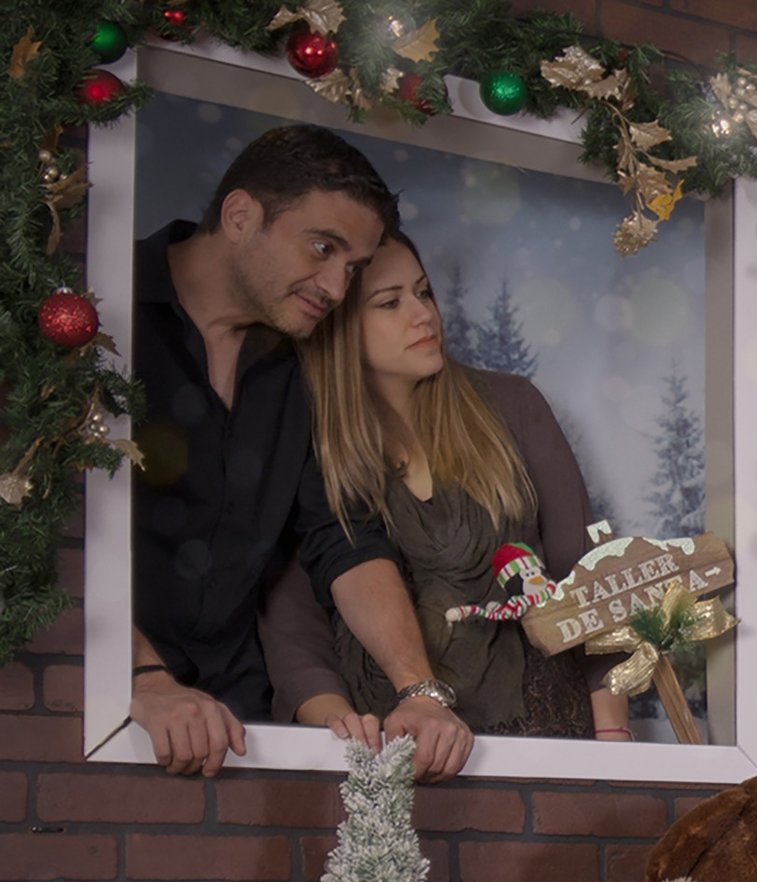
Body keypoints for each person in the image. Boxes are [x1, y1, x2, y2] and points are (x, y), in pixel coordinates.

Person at [128, 124, 471, 778]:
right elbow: (53, 534)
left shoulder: (301, 366)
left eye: (352, 267)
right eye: (322, 247)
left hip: (243, 728)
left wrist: (419, 691)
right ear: (239, 215)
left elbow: (343, 538)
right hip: (101, 716)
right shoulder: (100, 314)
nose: (337, 288)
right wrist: (144, 679)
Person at [259, 232, 627, 741]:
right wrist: (339, 734)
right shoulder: (312, 445)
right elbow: (292, 620)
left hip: (540, 729)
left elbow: (587, 576)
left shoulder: (513, 405)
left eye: (424, 292)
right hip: (394, 740)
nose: (423, 315)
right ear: (339, 327)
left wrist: (612, 739)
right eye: (391, 303)